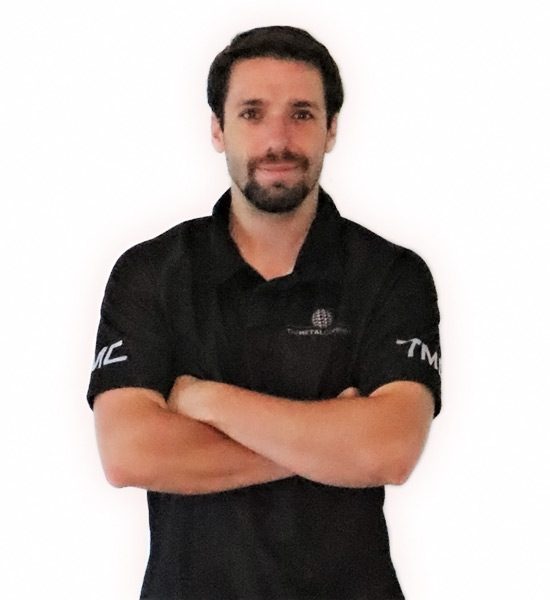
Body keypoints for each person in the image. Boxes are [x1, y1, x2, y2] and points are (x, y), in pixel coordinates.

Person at [88, 25, 442, 600]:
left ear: (331, 129)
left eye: (301, 114)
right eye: (252, 114)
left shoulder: (391, 275)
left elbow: (388, 450)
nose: (278, 139)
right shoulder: (150, 273)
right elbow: (130, 454)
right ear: (217, 129)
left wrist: (207, 400)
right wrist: (330, 443)